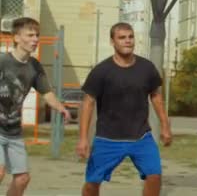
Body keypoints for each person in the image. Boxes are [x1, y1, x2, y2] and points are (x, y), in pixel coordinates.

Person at [76, 22, 172, 196]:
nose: (127, 41)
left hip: (141, 137)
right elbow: (88, 103)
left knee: (155, 176)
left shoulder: (146, 68)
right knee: (92, 183)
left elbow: (156, 97)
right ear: (113, 42)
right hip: (108, 139)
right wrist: (83, 138)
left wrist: (165, 126)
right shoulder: (102, 71)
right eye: (122, 38)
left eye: (130, 37)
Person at [0, 17, 71, 196]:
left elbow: (47, 93)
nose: (35, 39)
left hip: (13, 131)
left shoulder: (34, 66)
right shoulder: (3, 62)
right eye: (30, 35)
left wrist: (60, 108)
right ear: (16, 38)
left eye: (37, 35)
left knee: (22, 178)